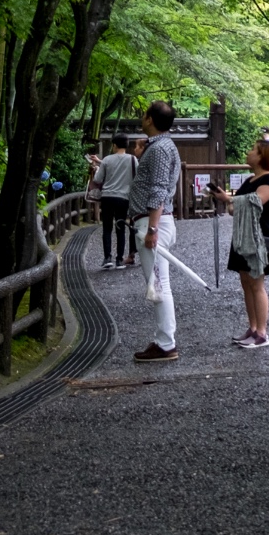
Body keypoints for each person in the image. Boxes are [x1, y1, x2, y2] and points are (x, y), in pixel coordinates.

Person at [216, 139, 269, 348]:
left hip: (258, 238)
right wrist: (230, 202)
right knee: (246, 283)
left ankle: (262, 332)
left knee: (257, 283)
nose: (248, 152)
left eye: (253, 150)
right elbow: (235, 209)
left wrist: (228, 200)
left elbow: (255, 202)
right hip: (243, 236)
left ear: (263, 156)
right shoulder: (250, 180)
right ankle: (252, 328)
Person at [131, 101, 182, 362]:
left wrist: (152, 228)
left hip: (154, 224)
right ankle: (164, 340)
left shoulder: (160, 148)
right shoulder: (160, 146)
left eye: (144, 114)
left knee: (159, 285)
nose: (142, 117)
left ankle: (165, 343)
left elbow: (159, 188)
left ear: (150, 119)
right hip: (154, 222)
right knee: (158, 283)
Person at [92, 135, 137, 270]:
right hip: (124, 197)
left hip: (107, 197)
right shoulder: (133, 159)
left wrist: (97, 169)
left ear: (114, 145)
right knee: (121, 228)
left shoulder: (107, 160)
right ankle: (119, 260)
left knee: (107, 228)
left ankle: (107, 258)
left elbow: (98, 180)